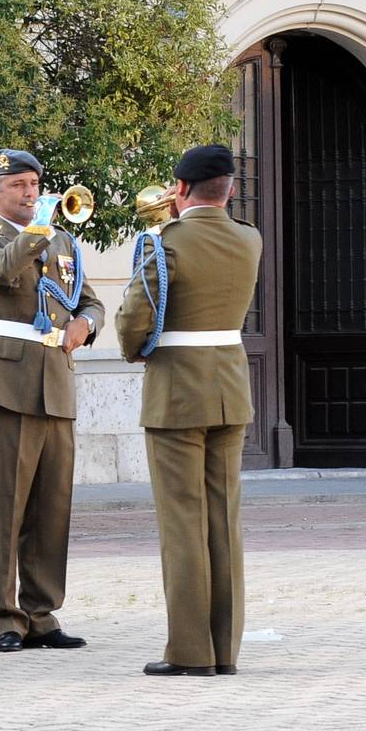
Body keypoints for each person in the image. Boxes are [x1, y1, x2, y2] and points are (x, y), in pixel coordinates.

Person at [116, 144, 261, 677]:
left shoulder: (163, 243)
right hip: (230, 387)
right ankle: (225, 651)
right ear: (229, 189)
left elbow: (136, 321)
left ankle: (189, 652)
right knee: (223, 522)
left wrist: (133, 350)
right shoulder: (249, 238)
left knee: (183, 523)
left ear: (179, 190)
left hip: (177, 392)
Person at [0, 148, 104, 654]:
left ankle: (41, 613)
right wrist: (35, 232)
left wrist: (87, 324)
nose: (30, 192)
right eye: (17, 185)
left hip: (54, 380)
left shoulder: (61, 239)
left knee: (51, 507)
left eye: (34, 184)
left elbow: (87, 297)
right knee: (6, 505)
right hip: (6, 381)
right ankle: (4, 617)